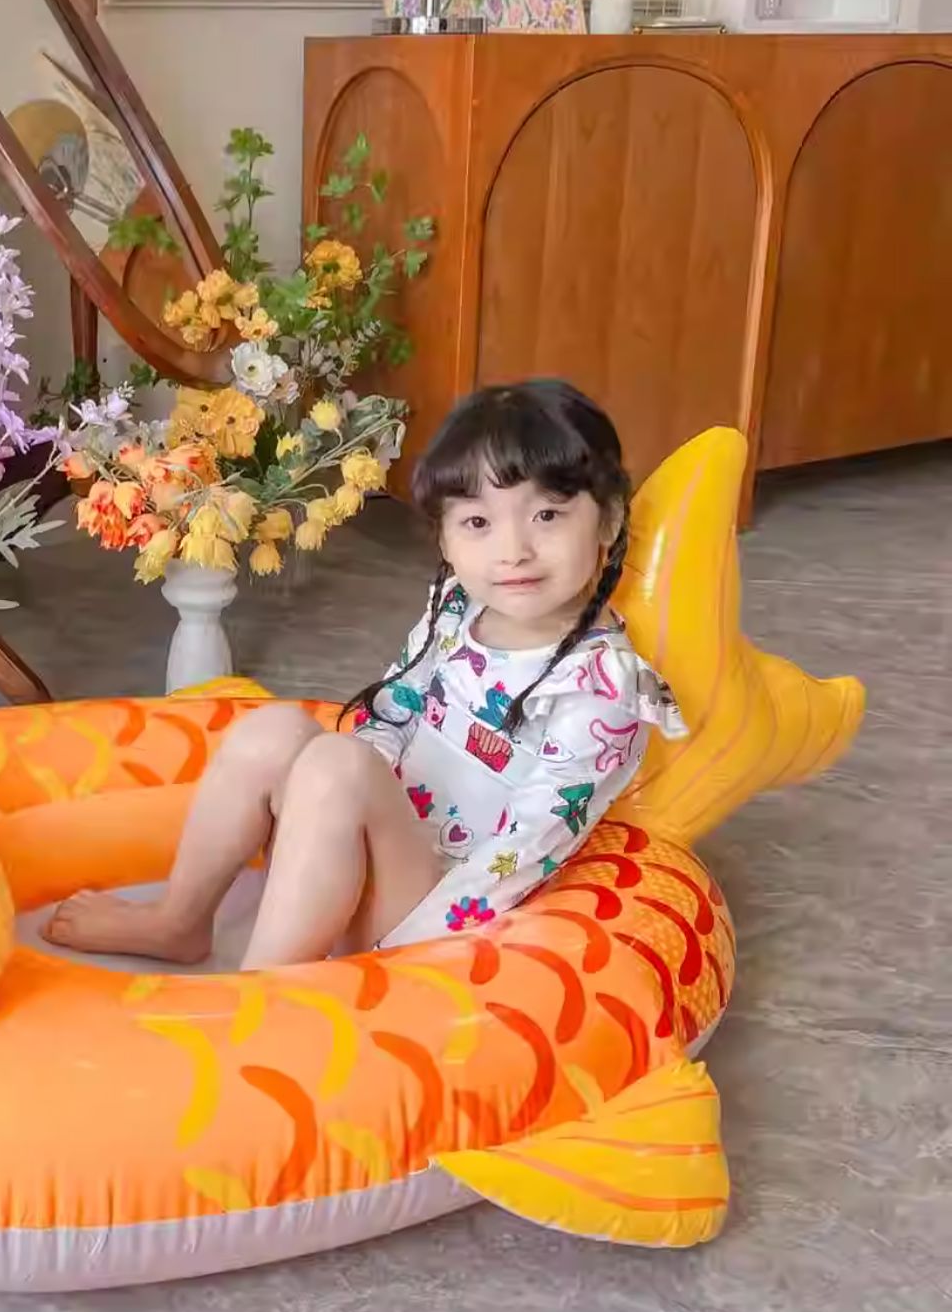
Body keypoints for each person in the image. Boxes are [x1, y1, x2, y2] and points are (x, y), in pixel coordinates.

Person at [43, 380, 686, 969]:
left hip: (432, 912)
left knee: (339, 765)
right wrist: (322, 817)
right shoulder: (457, 608)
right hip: (367, 855)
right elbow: (394, 709)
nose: (513, 551)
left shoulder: (603, 689)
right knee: (276, 732)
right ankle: (177, 922)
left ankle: (259, 992)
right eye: (478, 522)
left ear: (608, 519)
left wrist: (401, 954)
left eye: (547, 515)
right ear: (445, 540)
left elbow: (521, 855)